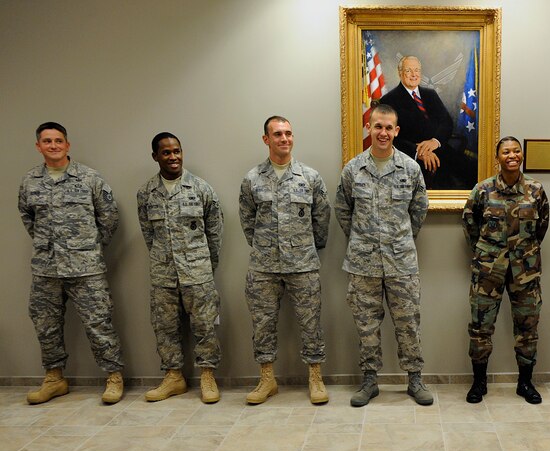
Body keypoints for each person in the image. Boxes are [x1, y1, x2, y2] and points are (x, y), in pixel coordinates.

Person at [18, 122, 125, 404]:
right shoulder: (30, 181)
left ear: (67, 144)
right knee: (46, 325)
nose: (53, 145)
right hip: (46, 269)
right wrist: (49, 246)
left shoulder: (89, 178)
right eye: (47, 141)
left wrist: (89, 247)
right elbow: (28, 218)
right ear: (38, 146)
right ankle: (54, 378)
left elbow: (109, 218)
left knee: (99, 322)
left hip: (86, 268)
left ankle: (114, 377)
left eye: (58, 140)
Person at [335, 103, 432, 407]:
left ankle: (415, 379)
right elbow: (343, 210)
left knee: (408, 323)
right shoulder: (353, 170)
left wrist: (399, 238)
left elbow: (419, 210)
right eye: (378, 126)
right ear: (370, 127)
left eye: (389, 128)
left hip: (401, 262)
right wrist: (363, 238)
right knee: (366, 325)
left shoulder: (410, 169)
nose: (383, 133)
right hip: (363, 263)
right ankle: (369, 381)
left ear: (397, 131)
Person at [239, 116, 331, 405]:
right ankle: (267, 379)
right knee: (262, 325)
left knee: (311, 323)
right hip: (263, 267)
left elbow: (321, 220)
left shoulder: (310, 177)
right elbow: (247, 221)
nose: (284, 139)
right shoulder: (252, 179)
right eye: (278, 134)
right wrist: (265, 247)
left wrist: (306, 248)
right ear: (266, 139)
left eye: (288, 133)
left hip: (303, 265)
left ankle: (315, 377)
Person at [462, 136, 550, 404]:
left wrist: (523, 252)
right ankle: (479, 383)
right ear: (497, 157)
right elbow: (470, 225)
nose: (512, 155)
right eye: (506, 152)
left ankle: (525, 383)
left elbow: (542, 227)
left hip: (526, 271)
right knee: (480, 327)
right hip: (489, 270)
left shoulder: (535, 190)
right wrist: (489, 253)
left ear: (521, 155)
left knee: (527, 328)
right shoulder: (483, 190)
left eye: (516, 151)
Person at [137, 132, 223, 403]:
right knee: (165, 327)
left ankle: (207, 376)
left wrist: (204, 265)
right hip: (163, 274)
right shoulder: (146, 193)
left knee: (205, 325)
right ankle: (174, 377)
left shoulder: (201, 189)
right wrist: (163, 260)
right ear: (155, 156)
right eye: (166, 152)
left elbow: (215, 234)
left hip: (198, 272)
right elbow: (148, 235)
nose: (173, 157)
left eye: (177, 151)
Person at [379, 56, 473, 189]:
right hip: (410, 156)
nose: (414, 74)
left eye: (417, 70)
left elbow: (446, 122)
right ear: (400, 73)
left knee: (471, 171)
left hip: (440, 147)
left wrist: (435, 141)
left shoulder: (430, 94)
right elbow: (389, 137)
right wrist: (417, 151)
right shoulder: (388, 100)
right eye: (408, 71)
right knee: (440, 181)